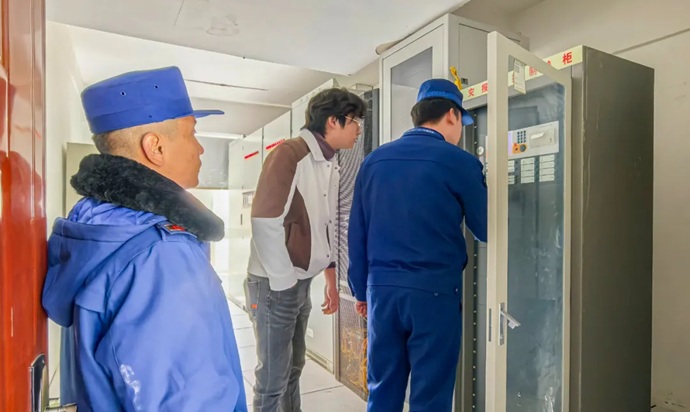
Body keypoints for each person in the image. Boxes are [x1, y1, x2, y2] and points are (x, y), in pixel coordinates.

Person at [42, 66, 247, 412]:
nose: (200, 149)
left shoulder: (96, 223)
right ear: (155, 147)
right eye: (192, 133)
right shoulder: (163, 256)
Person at [347, 78, 488, 412]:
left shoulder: (374, 161)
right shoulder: (460, 161)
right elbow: (485, 228)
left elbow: (357, 231)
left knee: (382, 388)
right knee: (430, 395)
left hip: (382, 292)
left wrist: (361, 291)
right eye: (462, 123)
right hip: (433, 293)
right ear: (452, 115)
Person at [245, 88, 367, 411]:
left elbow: (326, 222)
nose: (358, 130)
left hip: (298, 282)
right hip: (274, 285)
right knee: (272, 378)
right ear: (333, 121)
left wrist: (329, 277)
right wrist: (285, 283)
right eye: (354, 121)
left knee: (293, 368)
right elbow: (264, 221)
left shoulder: (328, 161)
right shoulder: (290, 154)